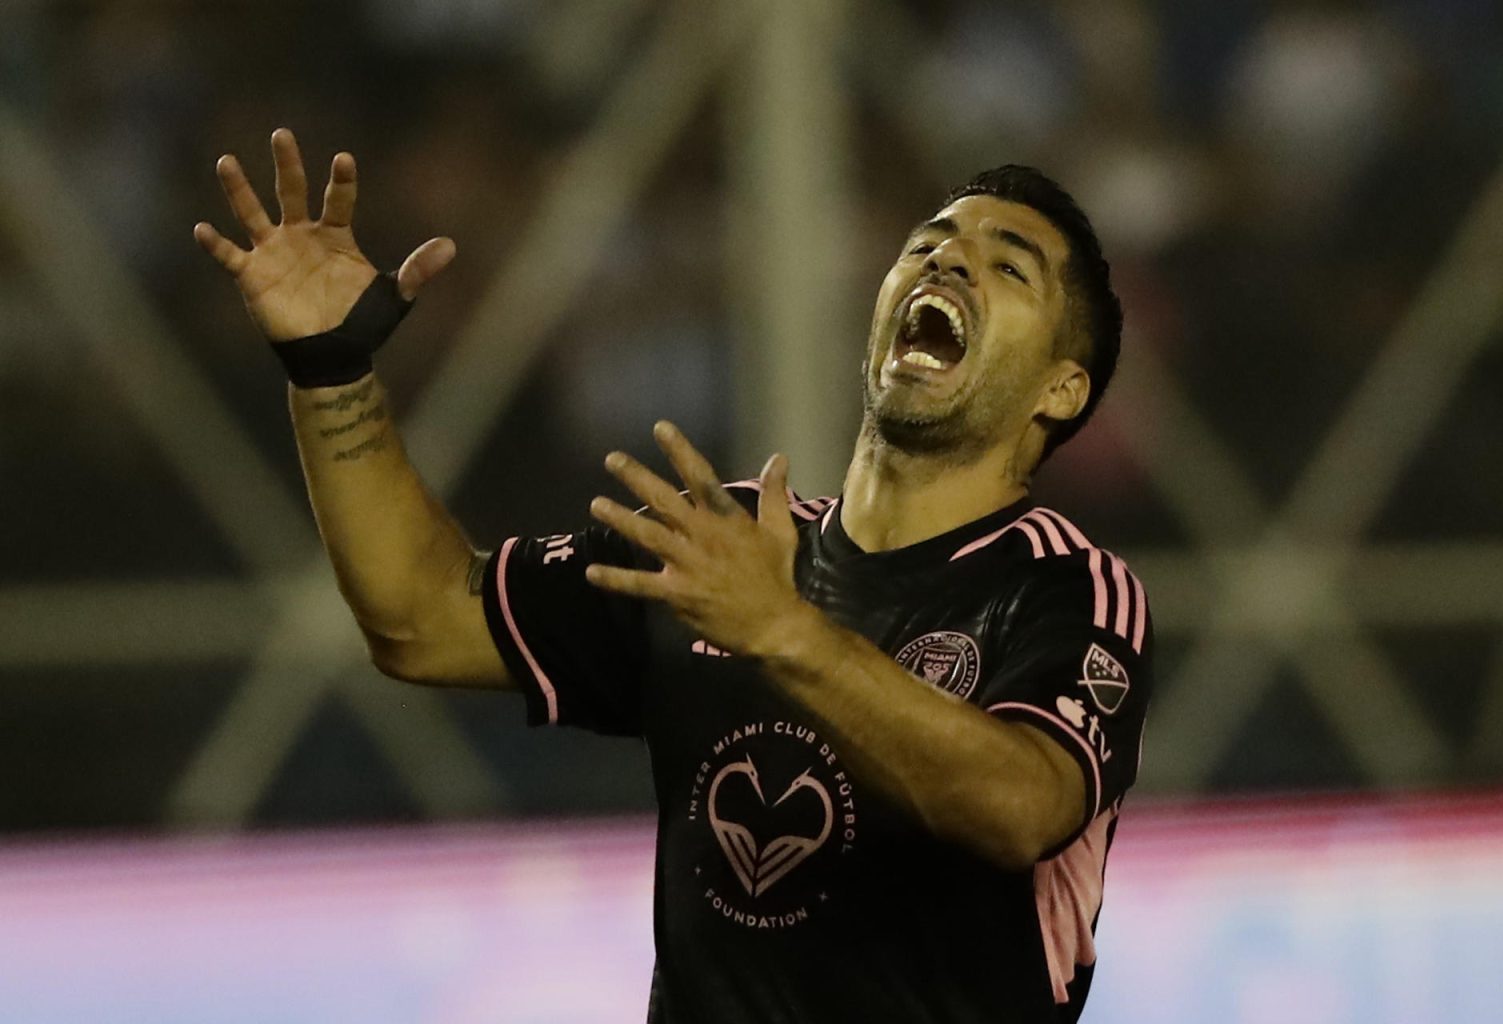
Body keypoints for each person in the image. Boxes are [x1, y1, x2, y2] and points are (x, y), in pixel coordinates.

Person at [195, 128, 1152, 1024]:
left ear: (1060, 389)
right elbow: (420, 619)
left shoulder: (1065, 588)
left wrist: (784, 631)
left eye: (1007, 265)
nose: (949, 261)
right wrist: (330, 373)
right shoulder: (720, 543)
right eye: (931, 243)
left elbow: (1019, 806)